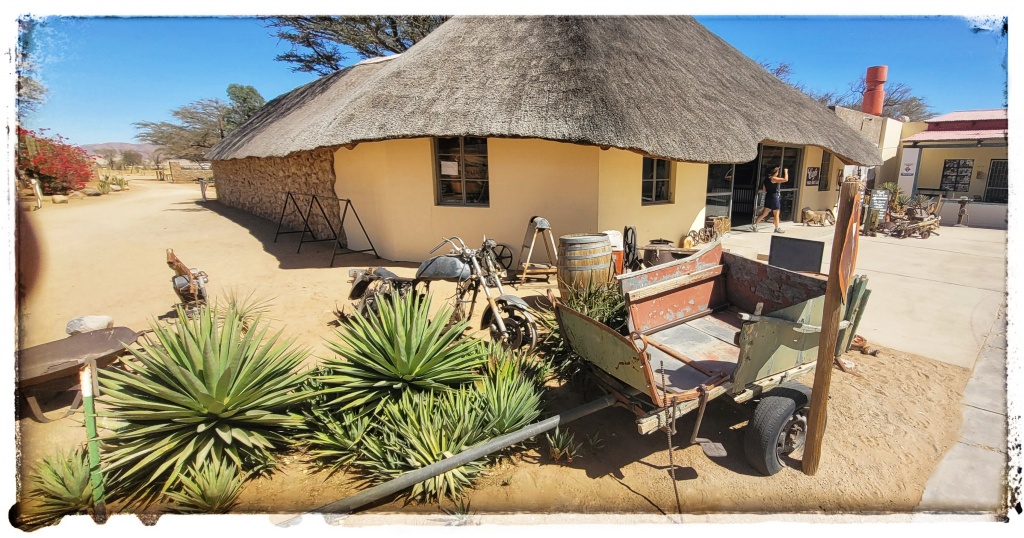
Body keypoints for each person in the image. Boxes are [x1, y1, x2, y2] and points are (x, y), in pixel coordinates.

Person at [751, 166, 788, 233]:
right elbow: (786, 179)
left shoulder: (766, 179)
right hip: (774, 197)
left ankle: (754, 225)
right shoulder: (773, 178)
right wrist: (786, 171)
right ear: (776, 172)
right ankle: (777, 228)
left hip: (768, 196)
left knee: (764, 213)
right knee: (776, 213)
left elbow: (764, 190)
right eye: (778, 171)